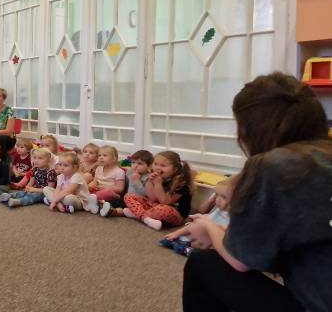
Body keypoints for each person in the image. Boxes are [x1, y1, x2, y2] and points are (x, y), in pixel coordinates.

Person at [182, 72, 332, 312]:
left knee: (202, 264)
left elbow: (240, 261)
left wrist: (208, 227)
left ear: (253, 129)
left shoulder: (273, 166)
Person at [121, 151, 193, 230]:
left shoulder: (181, 183)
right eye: (155, 164)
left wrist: (158, 184)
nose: (157, 168)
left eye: (163, 165)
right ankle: (146, 218)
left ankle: (136, 214)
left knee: (162, 209)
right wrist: (150, 181)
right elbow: (152, 198)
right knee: (129, 196)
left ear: (175, 169)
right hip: (155, 206)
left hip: (174, 213)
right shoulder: (160, 177)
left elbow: (164, 202)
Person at [159, 179, 231, 256]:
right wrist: (177, 233)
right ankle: (178, 238)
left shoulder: (235, 218)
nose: (218, 200)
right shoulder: (219, 210)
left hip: (215, 241)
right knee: (196, 223)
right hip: (205, 233)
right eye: (216, 195)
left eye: (224, 197)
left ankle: (187, 247)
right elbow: (203, 216)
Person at [101, 149, 152, 217]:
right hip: (126, 198)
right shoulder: (130, 172)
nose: (135, 165)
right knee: (113, 200)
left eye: (140, 163)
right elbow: (125, 185)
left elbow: (144, 194)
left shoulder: (148, 178)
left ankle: (112, 211)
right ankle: (104, 206)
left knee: (123, 206)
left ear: (149, 166)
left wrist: (137, 181)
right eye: (133, 162)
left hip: (139, 202)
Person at [83, 145, 125, 214]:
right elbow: (95, 181)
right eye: (99, 155)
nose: (101, 157)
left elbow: (120, 189)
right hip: (97, 191)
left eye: (104, 155)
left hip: (112, 194)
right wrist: (89, 186)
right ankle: (94, 203)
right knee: (86, 189)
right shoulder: (99, 168)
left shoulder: (119, 172)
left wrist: (106, 187)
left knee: (107, 192)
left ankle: (91, 202)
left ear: (114, 158)